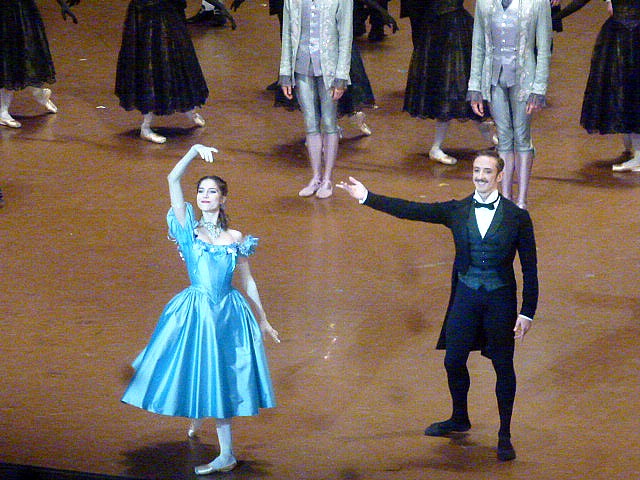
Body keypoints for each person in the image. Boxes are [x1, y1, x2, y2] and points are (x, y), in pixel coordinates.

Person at [337, 152, 539, 462]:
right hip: (466, 298)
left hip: (499, 302)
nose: (480, 176)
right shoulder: (457, 210)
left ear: (500, 176)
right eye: (477, 170)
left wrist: (527, 312)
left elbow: (530, 268)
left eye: (487, 171)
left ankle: (504, 435)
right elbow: (413, 210)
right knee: (453, 361)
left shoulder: (517, 217)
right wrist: (366, 197)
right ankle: (460, 417)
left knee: (503, 366)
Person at [121, 145, 280, 475]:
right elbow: (172, 179)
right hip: (198, 312)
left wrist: (263, 319)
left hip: (229, 314)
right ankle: (208, 430)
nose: (205, 196)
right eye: (201, 191)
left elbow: (248, 280)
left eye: (212, 191)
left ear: (223, 198)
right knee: (199, 367)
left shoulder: (235, 237)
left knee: (221, 375)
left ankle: (226, 454)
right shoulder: (188, 230)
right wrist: (193, 150)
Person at [467, 0, 552, 209]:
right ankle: (505, 198)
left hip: (524, 78)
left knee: (522, 136)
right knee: (503, 136)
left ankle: (521, 200)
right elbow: (478, 45)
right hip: (493, 78)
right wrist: (475, 86)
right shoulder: (484, 2)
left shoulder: (537, 3)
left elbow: (544, 48)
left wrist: (539, 88)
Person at [403, 0, 498, 166]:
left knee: (463, 80)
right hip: (444, 28)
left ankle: (481, 124)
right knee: (450, 83)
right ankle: (438, 145)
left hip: (448, 25)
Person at [553, 0, 640, 172]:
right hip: (622, 35)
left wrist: (555, 19)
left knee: (631, 92)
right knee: (625, 92)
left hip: (629, 37)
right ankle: (634, 150)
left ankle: (638, 155)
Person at [279, 0, 353, 199]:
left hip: (329, 68)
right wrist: (285, 72)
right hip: (301, 67)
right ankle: (315, 177)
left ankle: (327, 179)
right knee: (310, 123)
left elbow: (346, 36)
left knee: (329, 122)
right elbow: (287, 34)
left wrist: (341, 75)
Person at [115, 0, 209, 144]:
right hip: (148, 11)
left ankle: (189, 108)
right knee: (150, 63)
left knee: (180, 56)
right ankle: (146, 126)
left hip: (169, 9)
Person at [0, 0, 79, 129]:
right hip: (11, 11)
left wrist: (61, 4)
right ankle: (6, 107)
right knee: (9, 55)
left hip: (21, 9)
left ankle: (35, 92)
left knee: (21, 53)